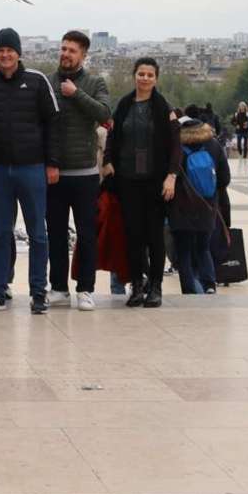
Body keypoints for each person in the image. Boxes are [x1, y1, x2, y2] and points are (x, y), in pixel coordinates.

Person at [0, 28, 59, 315]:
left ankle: (38, 293)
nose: (5, 55)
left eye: (10, 50)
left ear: (18, 53)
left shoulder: (36, 81)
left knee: (37, 233)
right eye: (1, 50)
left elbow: (52, 124)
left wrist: (52, 163)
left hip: (31, 167)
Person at [42, 31, 112, 310]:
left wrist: (76, 93)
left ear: (83, 55)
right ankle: (58, 287)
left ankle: (86, 288)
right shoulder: (47, 82)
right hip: (55, 172)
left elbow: (105, 114)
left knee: (86, 234)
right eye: (63, 49)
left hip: (84, 173)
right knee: (56, 234)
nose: (65, 54)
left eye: (72, 50)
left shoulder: (95, 82)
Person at [103, 57, 176, 308]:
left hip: (155, 181)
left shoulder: (164, 107)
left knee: (155, 236)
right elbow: (112, 136)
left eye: (150, 75)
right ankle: (136, 284)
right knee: (132, 235)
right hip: (128, 179)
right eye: (141, 74)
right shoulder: (123, 104)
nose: (145, 78)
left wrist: (171, 176)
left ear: (156, 79)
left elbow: (175, 146)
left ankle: (155, 286)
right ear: (134, 76)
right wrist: (108, 160)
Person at [168, 115, 226, 293]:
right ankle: (209, 284)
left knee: (183, 251)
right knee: (203, 248)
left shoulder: (175, 147)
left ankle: (190, 288)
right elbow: (225, 178)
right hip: (207, 206)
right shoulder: (213, 145)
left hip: (181, 207)